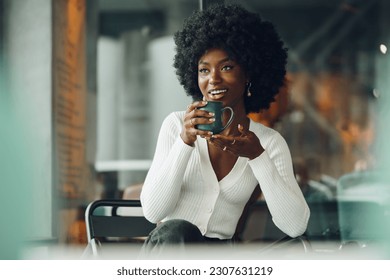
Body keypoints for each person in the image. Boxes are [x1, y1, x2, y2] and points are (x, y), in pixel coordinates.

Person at [140, 4, 310, 254]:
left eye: (226, 67)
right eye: (204, 70)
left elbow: (295, 226)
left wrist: (257, 156)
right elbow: (153, 211)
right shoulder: (176, 125)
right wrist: (184, 142)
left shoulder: (268, 142)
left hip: (220, 262)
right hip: (169, 251)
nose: (213, 79)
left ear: (248, 73)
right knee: (178, 230)